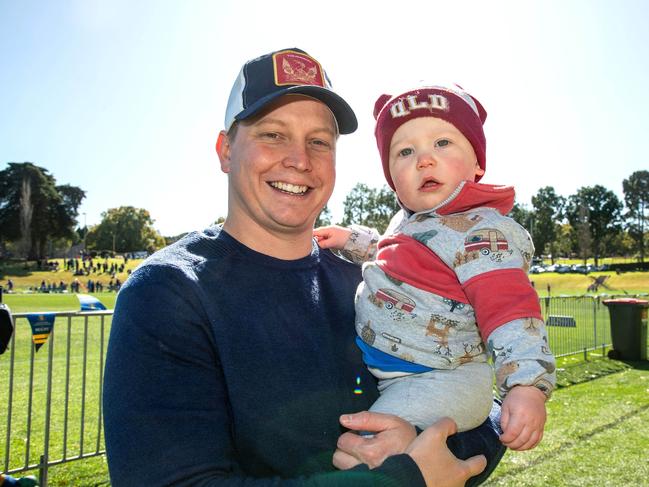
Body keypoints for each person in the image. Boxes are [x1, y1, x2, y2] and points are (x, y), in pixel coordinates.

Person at [103, 49, 505, 486]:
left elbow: (487, 408)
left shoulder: (369, 283)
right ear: (225, 151)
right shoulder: (168, 292)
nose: (300, 159)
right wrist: (400, 479)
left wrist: (424, 444)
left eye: (319, 141)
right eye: (273, 135)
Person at [314, 85, 556, 451]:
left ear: (477, 162)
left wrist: (526, 386)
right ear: (392, 178)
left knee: (368, 448)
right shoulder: (412, 222)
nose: (423, 160)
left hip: (443, 379)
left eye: (442, 143)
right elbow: (393, 256)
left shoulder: (483, 234)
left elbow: (511, 313)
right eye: (405, 151)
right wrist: (351, 240)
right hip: (400, 372)